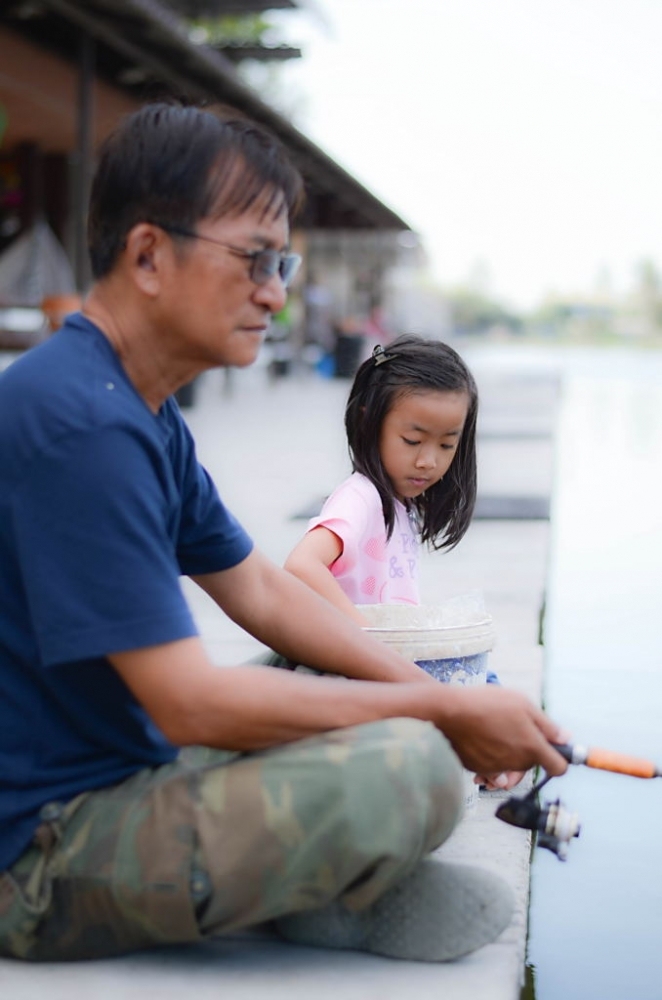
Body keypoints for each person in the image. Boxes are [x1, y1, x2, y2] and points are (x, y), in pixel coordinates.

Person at [0, 102, 567, 965]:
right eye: (255, 260)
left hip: (114, 765)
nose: (276, 290)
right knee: (408, 771)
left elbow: (263, 591)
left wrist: (432, 693)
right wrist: (443, 710)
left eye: (283, 261)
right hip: (34, 851)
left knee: (328, 668)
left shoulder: (137, 408)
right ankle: (306, 891)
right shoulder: (80, 420)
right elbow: (189, 701)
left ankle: (306, 886)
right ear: (149, 254)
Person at [284, 335, 522, 791]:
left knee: (487, 687)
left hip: (387, 663)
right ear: (368, 422)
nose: (428, 461)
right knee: (469, 702)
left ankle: (490, 756)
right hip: (355, 668)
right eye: (412, 440)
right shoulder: (362, 496)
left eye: (447, 445)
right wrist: (366, 641)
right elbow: (302, 565)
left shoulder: (398, 502)